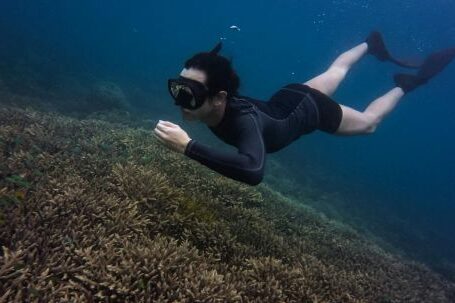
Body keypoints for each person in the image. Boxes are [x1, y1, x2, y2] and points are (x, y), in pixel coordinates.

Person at [153, 32, 455, 186]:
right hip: (289, 97)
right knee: (334, 72)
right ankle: (369, 43)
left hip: (310, 110)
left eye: (189, 94)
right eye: (177, 89)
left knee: (369, 122)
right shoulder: (215, 103)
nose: (179, 100)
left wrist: (188, 147)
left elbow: (253, 170)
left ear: (219, 98)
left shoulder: (243, 121)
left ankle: (406, 84)